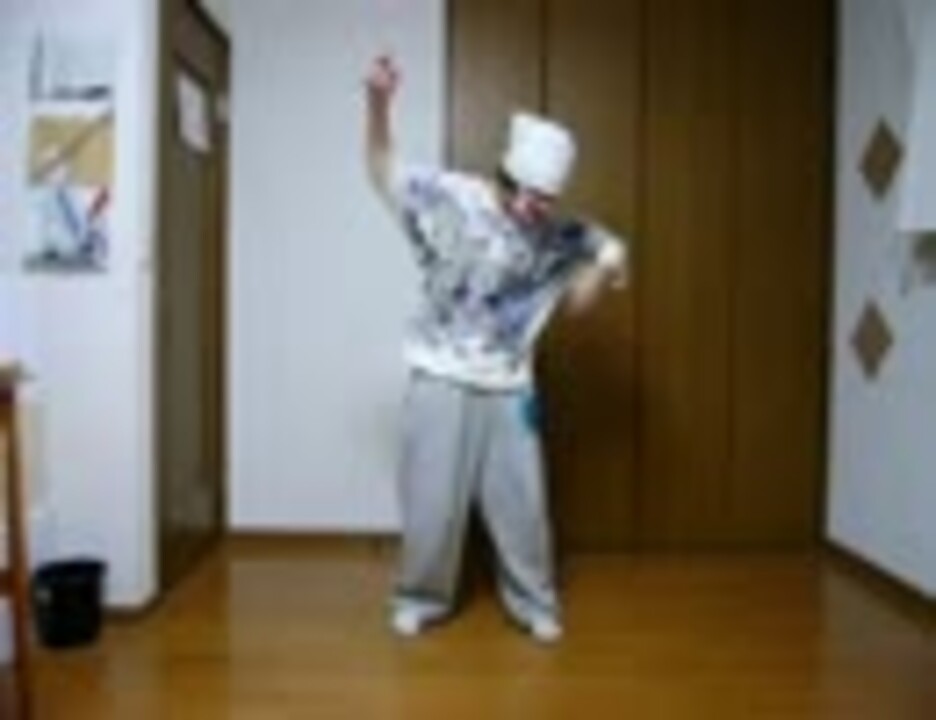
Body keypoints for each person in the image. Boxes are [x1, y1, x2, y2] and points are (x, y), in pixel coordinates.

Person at [364, 55, 628, 643]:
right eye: (525, 193)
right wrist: (378, 104)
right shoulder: (452, 197)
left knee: (523, 503)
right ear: (504, 174)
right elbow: (383, 168)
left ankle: (534, 602)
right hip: (440, 372)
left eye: (546, 198)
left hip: (509, 384)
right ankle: (419, 598)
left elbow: (593, 274)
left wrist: (603, 269)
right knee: (432, 501)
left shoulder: (553, 233)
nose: (533, 207)